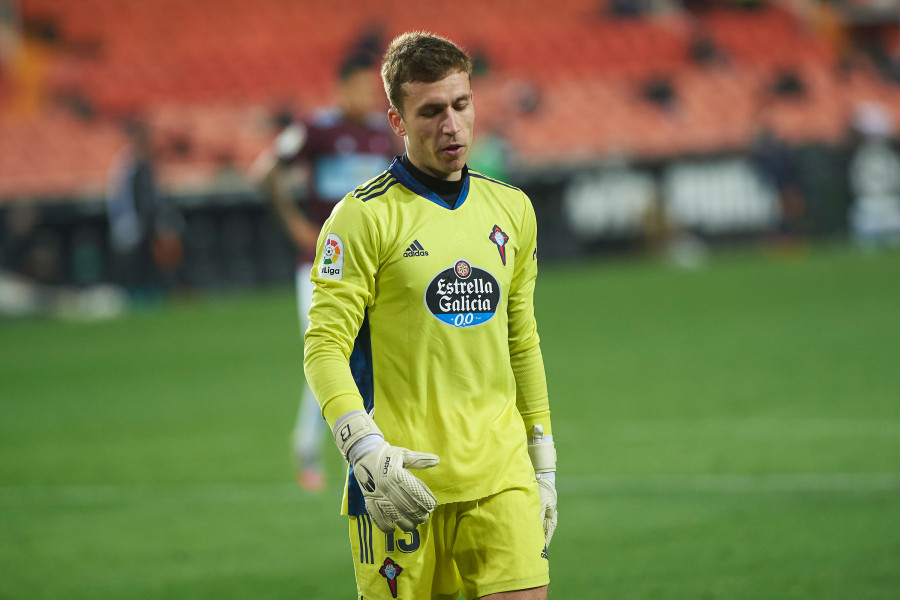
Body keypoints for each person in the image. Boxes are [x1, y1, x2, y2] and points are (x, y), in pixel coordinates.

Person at [303, 32, 557, 599]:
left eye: (461, 105)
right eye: (431, 111)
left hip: (501, 475)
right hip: (398, 482)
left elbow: (522, 340)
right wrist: (361, 447)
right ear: (397, 120)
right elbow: (323, 348)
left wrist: (542, 459)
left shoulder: (511, 210)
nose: (451, 126)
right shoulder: (361, 219)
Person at [256, 53, 398, 491]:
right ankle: (315, 448)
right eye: (356, 89)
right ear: (340, 90)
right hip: (320, 263)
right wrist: (295, 224)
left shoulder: (381, 136)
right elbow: (266, 171)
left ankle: (350, 451)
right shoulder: (316, 129)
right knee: (327, 352)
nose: (364, 98)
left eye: (369, 90)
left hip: (371, 265)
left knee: (367, 359)